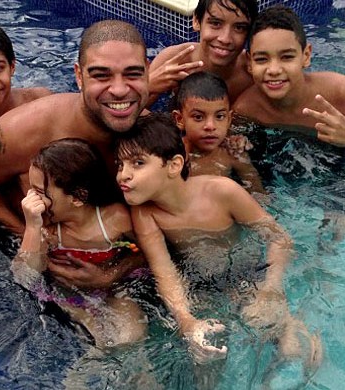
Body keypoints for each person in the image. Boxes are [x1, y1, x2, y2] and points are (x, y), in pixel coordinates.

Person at [0, 19, 150, 290]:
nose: (119, 89)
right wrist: (22, 231)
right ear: (78, 76)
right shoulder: (21, 130)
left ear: (148, 72)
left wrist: (115, 272)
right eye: (101, 75)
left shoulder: (155, 141)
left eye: (133, 74)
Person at [115, 113, 321, 367]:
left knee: (291, 350)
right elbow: (165, 271)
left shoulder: (221, 191)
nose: (122, 175)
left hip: (248, 273)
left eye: (137, 163)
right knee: (203, 355)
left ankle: (293, 322)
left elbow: (280, 239)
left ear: (174, 165)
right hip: (201, 283)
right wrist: (186, 321)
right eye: (120, 164)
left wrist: (271, 289)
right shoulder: (145, 213)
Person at [149, 0, 345, 124]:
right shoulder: (175, 60)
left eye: (239, 28)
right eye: (215, 23)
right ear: (196, 21)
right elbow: (132, 109)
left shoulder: (252, 69)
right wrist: (152, 84)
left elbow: (297, 87)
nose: (225, 39)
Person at [11, 138, 146, 347]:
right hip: (68, 296)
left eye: (39, 192)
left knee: (131, 337)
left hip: (115, 289)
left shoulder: (114, 220)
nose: (30, 199)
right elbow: (24, 276)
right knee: (97, 342)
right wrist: (32, 227)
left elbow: (150, 252)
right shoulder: (48, 230)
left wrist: (110, 275)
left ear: (78, 197)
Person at [232, 5, 345, 162]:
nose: (274, 69)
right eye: (262, 59)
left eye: (287, 57)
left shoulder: (339, 92)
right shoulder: (247, 110)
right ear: (249, 63)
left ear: (306, 56)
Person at [171, 71, 265, 195]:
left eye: (220, 116)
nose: (210, 126)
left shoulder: (233, 153)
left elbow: (259, 195)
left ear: (229, 119)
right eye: (198, 117)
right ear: (180, 119)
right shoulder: (172, 155)